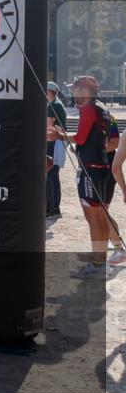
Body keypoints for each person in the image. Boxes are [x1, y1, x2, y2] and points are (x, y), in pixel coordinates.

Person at [54, 75, 126, 278]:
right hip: (100, 167)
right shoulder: (102, 109)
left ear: (85, 91)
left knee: (95, 217)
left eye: (75, 88)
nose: (71, 92)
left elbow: (85, 138)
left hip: (92, 169)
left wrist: (61, 135)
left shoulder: (91, 109)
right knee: (100, 216)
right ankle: (100, 258)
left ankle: (100, 262)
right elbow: (102, 140)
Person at [45, 82, 68, 218]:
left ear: (49, 91)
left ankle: (51, 209)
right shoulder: (56, 103)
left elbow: (47, 126)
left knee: (49, 175)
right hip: (57, 143)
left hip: (53, 143)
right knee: (54, 175)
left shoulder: (53, 105)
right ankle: (55, 208)